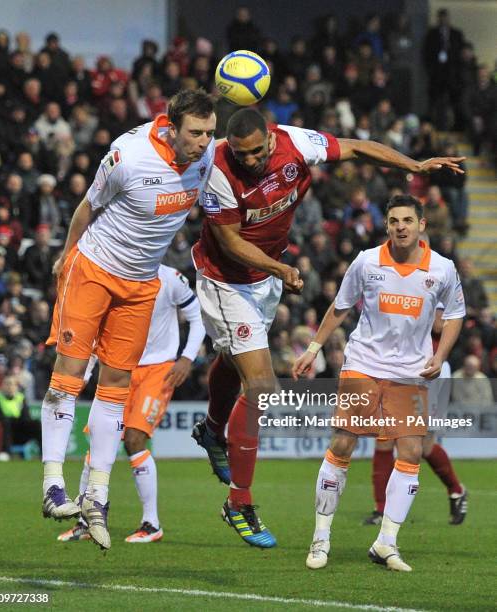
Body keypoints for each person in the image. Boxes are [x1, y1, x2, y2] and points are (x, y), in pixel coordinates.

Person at [190, 107, 465, 549]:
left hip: (264, 282)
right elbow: (230, 241)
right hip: (226, 279)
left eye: (259, 151)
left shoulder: (295, 142)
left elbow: (355, 148)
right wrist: (281, 269)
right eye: (243, 154)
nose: (252, 161)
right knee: (260, 386)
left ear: (270, 137)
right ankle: (239, 502)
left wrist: (412, 165)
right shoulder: (218, 169)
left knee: (232, 357)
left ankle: (212, 427)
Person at [40, 89, 216, 552]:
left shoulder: (209, 156)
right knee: (68, 379)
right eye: (196, 133)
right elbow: (87, 208)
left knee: (115, 385)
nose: (204, 142)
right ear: (171, 126)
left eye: (209, 133)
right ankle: (53, 484)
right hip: (95, 269)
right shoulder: (128, 155)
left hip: (140, 287)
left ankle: (95, 493)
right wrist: (65, 255)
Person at [292, 195, 465, 571]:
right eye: (393, 220)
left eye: (407, 219)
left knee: (411, 451)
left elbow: (454, 316)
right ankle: (320, 538)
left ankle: (386, 542)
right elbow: (340, 306)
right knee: (342, 442)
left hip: (411, 372)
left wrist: (441, 355)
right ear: (385, 226)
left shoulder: (443, 268)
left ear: (422, 225)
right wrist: (313, 348)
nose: (400, 226)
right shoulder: (366, 261)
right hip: (364, 364)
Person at [58, 264, 206, 544]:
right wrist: (84, 375)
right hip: (118, 367)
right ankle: (87, 522)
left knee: (135, 439)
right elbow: (94, 332)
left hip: (157, 369)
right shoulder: (109, 276)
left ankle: (152, 524)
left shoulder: (169, 278)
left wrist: (187, 357)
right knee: (99, 442)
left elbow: (197, 315)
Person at [365, 308, 468, 527]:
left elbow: (448, 324)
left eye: (440, 312)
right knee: (383, 438)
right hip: (398, 367)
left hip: (432, 370)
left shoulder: (441, 280)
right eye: (436, 313)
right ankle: (381, 509)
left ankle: (456, 490)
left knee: (424, 445)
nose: (436, 317)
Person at [0, 374, 41, 461]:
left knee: (36, 423)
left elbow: (26, 417)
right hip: (0, 433)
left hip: (17, 432)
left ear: (16, 386)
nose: (10, 387)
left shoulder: (20, 398)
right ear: (2, 386)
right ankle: (4, 452)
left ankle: (44, 453)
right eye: (7, 384)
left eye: (12, 384)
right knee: (5, 422)